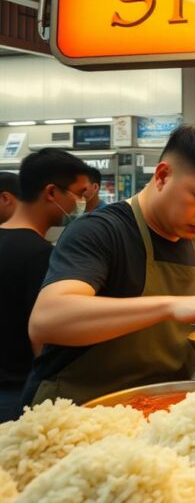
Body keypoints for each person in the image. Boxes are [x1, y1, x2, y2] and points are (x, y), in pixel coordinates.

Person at [25, 126, 195, 405]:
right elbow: (47, 320)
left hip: (161, 410)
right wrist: (170, 306)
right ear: (162, 175)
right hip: (79, 412)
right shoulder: (100, 230)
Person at [0, 149, 91, 420]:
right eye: (78, 193)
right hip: (19, 393)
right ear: (51, 192)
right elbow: (45, 334)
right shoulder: (41, 256)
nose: (81, 203)